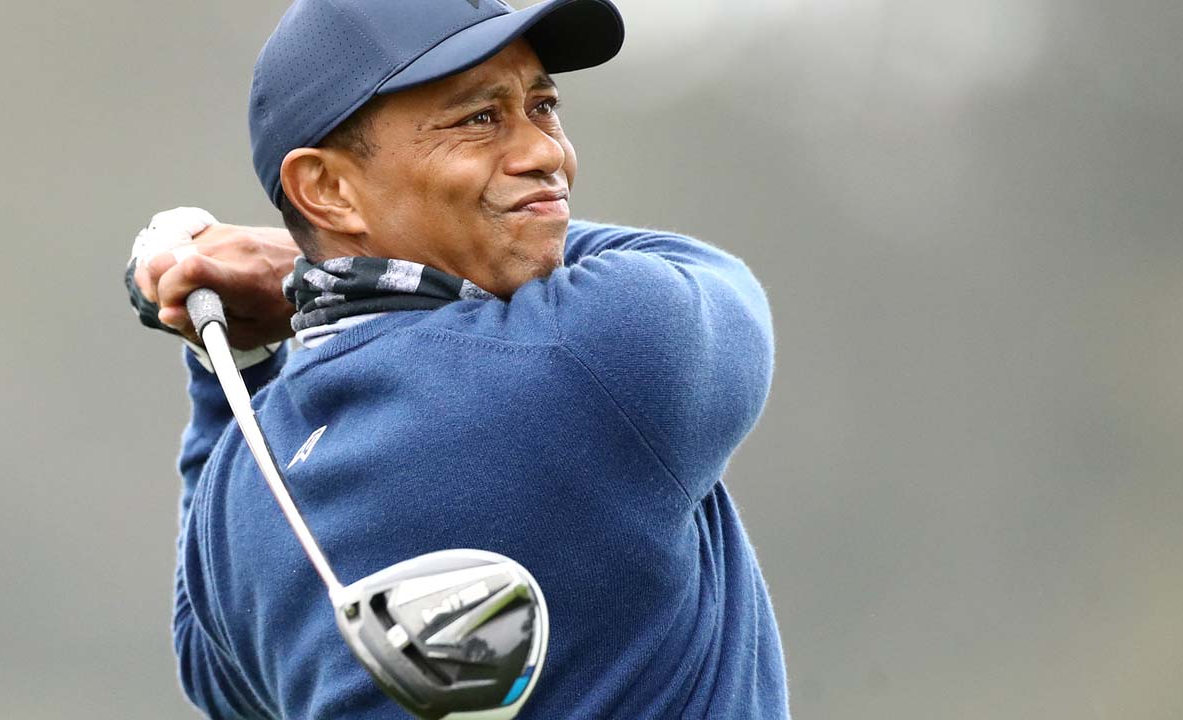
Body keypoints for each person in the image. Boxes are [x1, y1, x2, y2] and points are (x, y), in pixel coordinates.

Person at [127, 0, 788, 717]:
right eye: (479, 118)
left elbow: (211, 668)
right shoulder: (594, 348)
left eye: (542, 106)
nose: (546, 153)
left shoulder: (242, 488)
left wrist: (237, 350)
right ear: (327, 190)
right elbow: (704, 276)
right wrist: (289, 263)